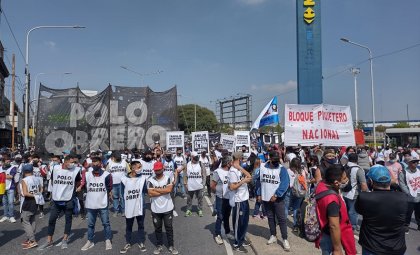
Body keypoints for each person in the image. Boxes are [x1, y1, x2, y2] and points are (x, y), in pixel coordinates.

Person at [356, 165, 408, 255]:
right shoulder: (403, 197)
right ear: (390, 181)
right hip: (397, 246)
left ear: (370, 181)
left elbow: (359, 210)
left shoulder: (364, 197)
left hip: (372, 246)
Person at [38, 155, 82, 250]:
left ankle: (64, 240)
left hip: (69, 199)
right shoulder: (56, 168)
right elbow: (53, 181)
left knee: (68, 220)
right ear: (65, 162)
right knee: (51, 220)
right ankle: (49, 241)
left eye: (74, 162)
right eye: (71, 162)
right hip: (57, 199)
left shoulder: (76, 170)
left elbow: (78, 182)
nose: (73, 164)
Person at [315, 164, 356, 255]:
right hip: (330, 238)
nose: (346, 180)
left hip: (323, 231)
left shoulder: (321, 184)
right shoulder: (332, 200)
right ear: (336, 182)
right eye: (344, 178)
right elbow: (334, 225)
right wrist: (337, 249)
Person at [254, 151, 290, 250]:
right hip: (266, 197)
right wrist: (259, 193)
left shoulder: (282, 169)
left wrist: (277, 194)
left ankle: (285, 238)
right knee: (270, 217)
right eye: (273, 160)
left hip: (278, 199)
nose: (275, 163)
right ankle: (273, 235)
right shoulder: (262, 167)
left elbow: (285, 183)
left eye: (277, 161)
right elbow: (259, 181)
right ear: (269, 158)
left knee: (282, 219)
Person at [147, 161, 179, 255]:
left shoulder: (168, 178)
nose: (157, 171)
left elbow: (169, 190)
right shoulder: (150, 180)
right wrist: (163, 191)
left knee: (169, 228)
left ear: (163, 169)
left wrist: (156, 189)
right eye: (156, 170)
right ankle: (159, 245)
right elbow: (150, 193)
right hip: (155, 209)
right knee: (158, 228)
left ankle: (171, 246)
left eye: (159, 169)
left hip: (168, 208)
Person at [80, 163, 113, 251]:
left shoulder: (107, 175)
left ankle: (108, 239)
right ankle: (90, 241)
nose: (95, 165)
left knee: (106, 223)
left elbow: (109, 187)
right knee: (90, 224)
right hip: (91, 204)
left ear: (100, 164)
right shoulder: (87, 174)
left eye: (97, 162)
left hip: (102, 203)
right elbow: (83, 182)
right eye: (93, 163)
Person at [119, 159, 148, 254]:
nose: (140, 169)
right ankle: (128, 242)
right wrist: (123, 208)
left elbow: (145, 191)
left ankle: (141, 242)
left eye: (141, 167)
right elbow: (122, 194)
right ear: (132, 167)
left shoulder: (143, 178)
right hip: (129, 207)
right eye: (139, 167)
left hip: (140, 206)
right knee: (129, 226)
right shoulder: (124, 179)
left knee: (141, 225)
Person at [228, 151, 252, 253]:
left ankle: (241, 239)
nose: (243, 160)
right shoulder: (232, 171)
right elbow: (232, 187)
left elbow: (249, 177)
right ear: (239, 159)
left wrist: (240, 168)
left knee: (244, 222)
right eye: (242, 159)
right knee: (238, 223)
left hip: (244, 199)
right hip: (238, 201)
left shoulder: (238, 170)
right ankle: (237, 243)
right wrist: (242, 181)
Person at [342, 153, 368, 232]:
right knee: (353, 211)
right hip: (353, 193)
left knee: (345, 209)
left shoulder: (343, 167)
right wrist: (365, 194)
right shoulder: (358, 169)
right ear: (357, 160)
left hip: (343, 192)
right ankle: (353, 226)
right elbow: (363, 184)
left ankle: (344, 224)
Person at [20, 164, 43, 249]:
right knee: (32, 219)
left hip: (29, 201)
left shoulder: (24, 180)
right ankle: (31, 238)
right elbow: (41, 189)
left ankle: (32, 240)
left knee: (25, 220)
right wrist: (37, 195)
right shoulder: (37, 178)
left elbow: (25, 193)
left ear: (24, 171)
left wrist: (34, 195)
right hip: (36, 201)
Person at [211, 155, 233, 245]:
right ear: (228, 163)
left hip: (229, 197)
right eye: (231, 162)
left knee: (227, 216)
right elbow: (212, 185)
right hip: (221, 198)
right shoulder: (218, 172)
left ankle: (227, 232)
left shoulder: (231, 172)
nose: (232, 163)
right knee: (220, 216)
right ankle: (217, 234)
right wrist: (218, 193)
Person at [399, 157, 420, 233]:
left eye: (417, 162)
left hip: (419, 195)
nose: (416, 163)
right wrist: (408, 193)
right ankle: (406, 226)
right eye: (414, 162)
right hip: (409, 197)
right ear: (409, 163)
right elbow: (402, 184)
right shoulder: (403, 173)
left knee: (419, 212)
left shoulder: (419, 171)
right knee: (408, 213)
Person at [183, 151, 206, 217]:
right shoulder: (188, 164)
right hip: (190, 185)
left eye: (197, 158)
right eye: (195, 158)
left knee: (200, 198)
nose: (196, 160)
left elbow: (204, 175)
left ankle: (200, 209)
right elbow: (185, 175)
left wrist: (203, 184)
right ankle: (189, 209)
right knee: (189, 198)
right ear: (191, 157)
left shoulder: (201, 164)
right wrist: (185, 184)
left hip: (199, 185)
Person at [107, 152, 130, 217]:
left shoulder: (124, 162)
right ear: (113, 157)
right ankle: (116, 211)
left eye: (119, 157)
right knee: (115, 197)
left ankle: (123, 211)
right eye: (117, 157)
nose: (118, 159)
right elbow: (106, 173)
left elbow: (129, 172)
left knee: (122, 197)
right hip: (113, 184)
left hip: (122, 183)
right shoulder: (110, 163)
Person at [0, 154, 18, 223]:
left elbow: (11, 176)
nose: (8, 162)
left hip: (11, 187)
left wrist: (2, 176)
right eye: (7, 161)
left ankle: (11, 216)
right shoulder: (0, 168)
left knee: (10, 202)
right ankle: (5, 215)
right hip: (2, 187)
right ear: (3, 162)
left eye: (9, 161)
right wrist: (5, 175)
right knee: (4, 203)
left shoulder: (13, 167)